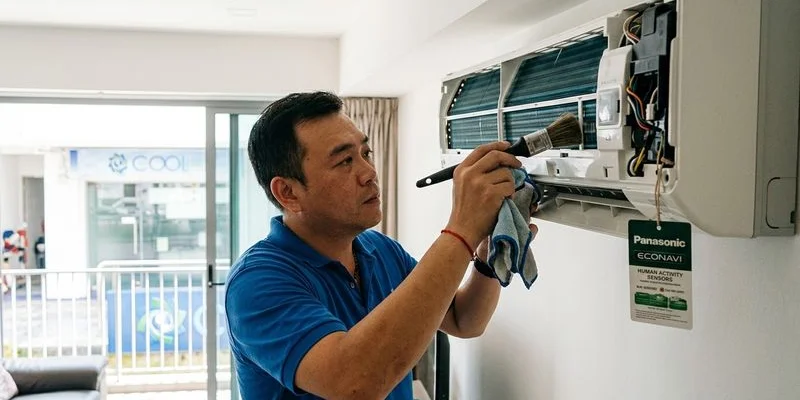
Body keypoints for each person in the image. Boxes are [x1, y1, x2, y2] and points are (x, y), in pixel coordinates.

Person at [224, 91, 538, 399]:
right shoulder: (256, 282)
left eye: (366, 153)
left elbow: (463, 319)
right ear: (288, 193)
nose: (369, 172)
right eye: (345, 161)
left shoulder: (379, 249)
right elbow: (355, 385)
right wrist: (462, 229)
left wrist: (485, 254)